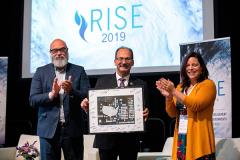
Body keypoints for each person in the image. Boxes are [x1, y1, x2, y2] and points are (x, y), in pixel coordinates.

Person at [81, 46, 150, 160]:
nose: (123, 62)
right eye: (120, 58)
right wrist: (88, 108)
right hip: (106, 141)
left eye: (127, 59)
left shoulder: (141, 84)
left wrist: (146, 113)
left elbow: (145, 110)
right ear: (115, 61)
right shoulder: (102, 82)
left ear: (132, 62)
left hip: (130, 141)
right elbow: (96, 111)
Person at [29, 38, 90, 160]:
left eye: (62, 49)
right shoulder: (41, 72)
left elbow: (88, 96)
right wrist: (52, 94)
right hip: (48, 131)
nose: (59, 53)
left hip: (73, 130)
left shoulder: (79, 70)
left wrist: (71, 91)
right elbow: (33, 99)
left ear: (67, 51)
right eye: (55, 50)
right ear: (50, 53)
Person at [156, 51, 216, 160]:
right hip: (181, 139)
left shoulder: (208, 85)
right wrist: (169, 97)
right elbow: (172, 114)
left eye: (195, 65)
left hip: (199, 142)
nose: (191, 68)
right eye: (188, 65)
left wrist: (173, 91)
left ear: (202, 68)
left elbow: (195, 105)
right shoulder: (180, 87)